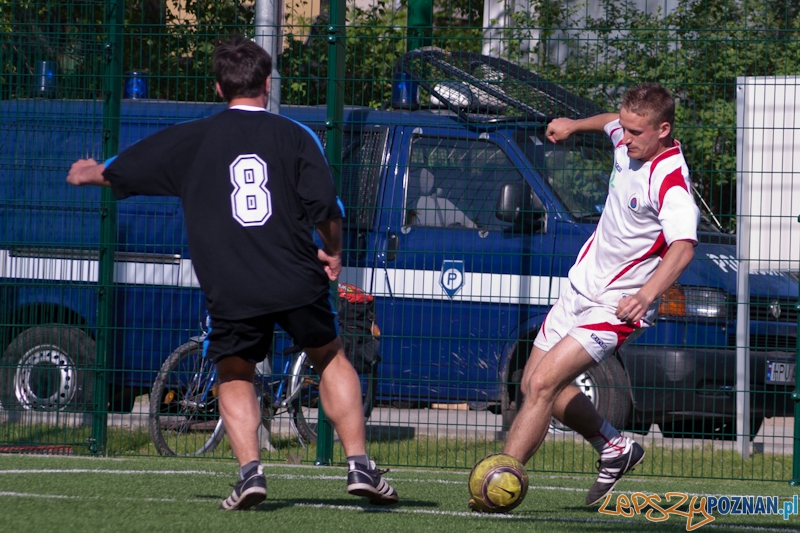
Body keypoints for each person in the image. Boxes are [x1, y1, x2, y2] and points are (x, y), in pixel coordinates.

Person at [66, 36, 398, 511]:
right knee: (329, 356)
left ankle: (250, 476)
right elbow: (327, 207)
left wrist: (92, 171)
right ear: (267, 84)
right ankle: (359, 465)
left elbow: (128, 167)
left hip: (232, 282)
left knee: (234, 369)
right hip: (295, 272)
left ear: (218, 88)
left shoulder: (191, 139)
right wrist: (331, 251)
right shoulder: (296, 136)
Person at [502, 83, 699, 506]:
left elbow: (682, 248)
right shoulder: (627, 139)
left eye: (635, 133)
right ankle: (615, 448)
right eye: (625, 129)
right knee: (531, 384)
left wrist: (645, 296)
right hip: (581, 286)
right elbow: (609, 122)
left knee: (540, 385)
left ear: (663, 129)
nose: (625, 139)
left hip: (618, 305)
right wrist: (573, 126)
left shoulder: (670, 181)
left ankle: (499, 481)